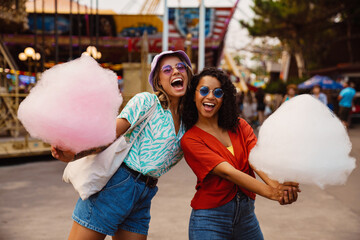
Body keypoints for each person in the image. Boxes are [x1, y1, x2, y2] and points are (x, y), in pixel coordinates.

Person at [51, 50, 193, 240]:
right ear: (158, 81)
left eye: (180, 67)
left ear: (188, 74)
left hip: (145, 193)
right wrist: (74, 152)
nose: (175, 71)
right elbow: (108, 135)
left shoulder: (188, 122)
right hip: (117, 185)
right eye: (167, 70)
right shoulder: (147, 102)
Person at [181, 68, 300, 240]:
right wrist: (271, 193)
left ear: (225, 98)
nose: (210, 97)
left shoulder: (240, 126)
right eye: (204, 90)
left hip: (246, 217)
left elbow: (257, 160)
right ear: (194, 95)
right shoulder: (190, 139)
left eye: (218, 92)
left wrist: (279, 187)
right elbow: (227, 172)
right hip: (209, 220)